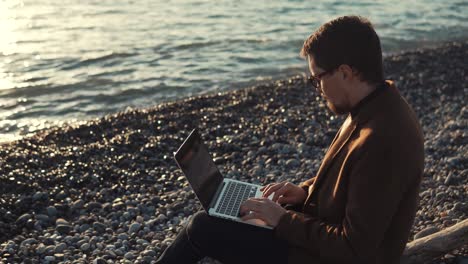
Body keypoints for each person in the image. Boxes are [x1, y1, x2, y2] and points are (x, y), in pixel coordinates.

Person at [156, 15, 424, 264]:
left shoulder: (382, 139)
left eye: (317, 77)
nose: (318, 88)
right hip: (319, 237)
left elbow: (354, 249)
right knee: (216, 218)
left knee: (203, 227)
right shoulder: (371, 108)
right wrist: (305, 191)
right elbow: (353, 189)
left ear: (345, 72)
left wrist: (283, 220)